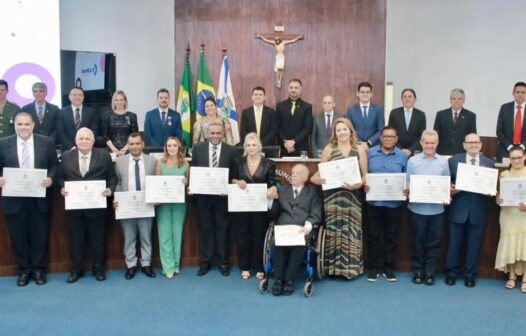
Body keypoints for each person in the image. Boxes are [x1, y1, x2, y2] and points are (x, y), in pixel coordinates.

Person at [0, 112, 58, 286]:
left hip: (39, 198)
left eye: (27, 124)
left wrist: (51, 179)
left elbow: (54, 165)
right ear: (15, 125)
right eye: (20, 124)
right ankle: (24, 271)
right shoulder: (3, 143)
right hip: (14, 199)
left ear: (33, 125)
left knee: (40, 236)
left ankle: (39, 270)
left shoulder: (46, 142)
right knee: (18, 237)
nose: (23, 128)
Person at [310, 118, 368, 279]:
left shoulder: (360, 149)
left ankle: (351, 269)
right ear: (334, 133)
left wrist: (358, 185)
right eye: (338, 130)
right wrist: (317, 180)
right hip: (333, 199)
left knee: (352, 231)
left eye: (345, 129)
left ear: (351, 130)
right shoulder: (329, 149)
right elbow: (316, 176)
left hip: (353, 197)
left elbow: (365, 175)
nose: (342, 133)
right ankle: (333, 269)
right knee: (334, 230)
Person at [59, 128, 117, 283]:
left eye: (87, 139)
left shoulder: (104, 156)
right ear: (75, 140)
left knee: (98, 241)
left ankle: (98, 269)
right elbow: (60, 178)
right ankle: (76, 270)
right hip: (74, 209)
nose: (84, 141)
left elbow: (112, 177)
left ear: (93, 141)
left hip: (97, 208)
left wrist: (110, 190)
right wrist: (62, 187)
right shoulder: (65, 156)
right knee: (76, 241)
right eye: (81, 138)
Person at [446, 133, 495, 288]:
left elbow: (492, 186)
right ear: (464, 145)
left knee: (474, 246)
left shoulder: (488, 163)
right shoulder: (454, 161)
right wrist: (451, 189)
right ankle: (451, 274)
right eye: (470, 142)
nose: (473, 145)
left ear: (481, 144)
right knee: (454, 245)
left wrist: (490, 191)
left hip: (478, 210)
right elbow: (447, 183)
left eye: (476, 142)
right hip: (458, 209)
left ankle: (470, 275)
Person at [190, 120, 237, 276]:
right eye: (212, 133)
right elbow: (195, 171)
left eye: (218, 133)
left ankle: (223, 263)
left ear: (223, 134)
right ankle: (206, 263)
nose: (215, 136)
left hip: (223, 198)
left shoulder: (231, 150)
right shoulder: (197, 149)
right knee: (205, 230)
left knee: (223, 231)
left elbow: (234, 175)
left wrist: (228, 187)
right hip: (203, 198)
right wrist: (193, 187)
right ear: (206, 134)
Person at [363, 126, 408, 282]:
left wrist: (406, 188)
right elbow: (364, 174)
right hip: (374, 202)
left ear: (396, 139)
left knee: (391, 237)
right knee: (374, 236)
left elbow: (406, 179)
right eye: (386, 136)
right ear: (380, 137)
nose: (388, 139)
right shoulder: (369, 153)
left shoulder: (403, 156)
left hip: (394, 204)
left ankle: (388, 268)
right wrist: (364, 184)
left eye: (392, 136)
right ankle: (375, 268)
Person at [406, 130, 450, 285]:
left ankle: (430, 272)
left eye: (433, 142)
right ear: (422, 143)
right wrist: (409, 191)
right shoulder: (412, 161)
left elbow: (446, 184)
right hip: (417, 210)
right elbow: (407, 184)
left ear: (437, 144)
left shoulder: (443, 162)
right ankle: (418, 271)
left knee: (434, 242)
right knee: (418, 242)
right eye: (427, 142)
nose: (430, 145)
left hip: (437, 210)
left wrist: (446, 195)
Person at [231, 133, 278, 280]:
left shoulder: (269, 163)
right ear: (244, 147)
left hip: (260, 207)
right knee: (242, 236)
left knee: (259, 236)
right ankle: (244, 267)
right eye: (248, 145)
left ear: (259, 146)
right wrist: (237, 182)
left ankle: (259, 267)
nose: (251, 148)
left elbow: (273, 184)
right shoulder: (238, 161)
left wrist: (273, 191)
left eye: (254, 145)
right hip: (242, 207)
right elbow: (231, 179)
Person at [270, 164, 321, 295]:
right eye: (293, 173)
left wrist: (307, 228)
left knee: (300, 243)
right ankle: (279, 279)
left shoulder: (313, 192)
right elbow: (273, 213)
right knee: (275, 242)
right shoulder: (282, 191)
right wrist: (270, 200)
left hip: (301, 230)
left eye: (298, 173)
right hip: (283, 229)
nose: (293, 175)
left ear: (305, 177)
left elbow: (316, 214)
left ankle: (289, 280)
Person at [114, 133, 157, 280]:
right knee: (129, 237)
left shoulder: (152, 161)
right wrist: (116, 198)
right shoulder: (120, 161)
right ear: (128, 145)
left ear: (143, 144)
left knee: (146, 237)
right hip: (127, 206)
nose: (135, 146)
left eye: (138, 143)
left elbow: (156, 182)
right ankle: (131, 265)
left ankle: (146, 264)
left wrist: (156, 197)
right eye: (131, 144)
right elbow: (118, 182)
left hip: (146, 205)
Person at [155, 136, 188, 279]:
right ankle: (167, 266)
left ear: (179, 147)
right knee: (165, 235)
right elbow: (155, 184)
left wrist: (186, 182)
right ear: (165, 148)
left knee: (177, 233)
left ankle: (175, 264)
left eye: (175, 145)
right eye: (169, 145)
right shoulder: (159, 163)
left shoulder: (186, 164)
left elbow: (188, 186)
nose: (172, 148)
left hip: (180, 203)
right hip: (163, 203)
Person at [495, 146, 526, 293]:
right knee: (512, 244)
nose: (516, 160)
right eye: (513, 158)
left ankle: (525, 278)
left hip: (524, 214)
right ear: (510, 160)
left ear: (524, 157)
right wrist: (498, 200)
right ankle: (512, 276)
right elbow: (499, 196)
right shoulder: (505, 174)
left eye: (519, 157)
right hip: (508, 215)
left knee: (524, 246)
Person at [275, 79, 313, 156]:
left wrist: (293, 141)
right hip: (284, 147)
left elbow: (307, 128)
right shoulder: (280, 106)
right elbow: (277, 127)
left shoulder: (307, 107)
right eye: (291, 87)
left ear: (300, 89)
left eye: (296, 88)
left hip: (300, 148)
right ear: (288, 89)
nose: (293, 90)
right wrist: (285, 142)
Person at [433, 88, 477, 155]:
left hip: (462, 153)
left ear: (463, 101)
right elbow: (435, 135)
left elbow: (472, 136)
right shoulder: (440, 115)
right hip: (442, 152)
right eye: (454, 99)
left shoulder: (470, 116)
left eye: (459, 99)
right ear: (450, 100)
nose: (456, 101)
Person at [388, 88, 426, 157]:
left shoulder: (421, 115)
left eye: (410, 97)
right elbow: (390, 133)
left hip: (415, 152)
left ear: (415, 99)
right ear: (401, 99)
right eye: (404, 97)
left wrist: (410, 150)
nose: (407, 99)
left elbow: (421, 136)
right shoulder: (394, 113)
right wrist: (401, 149)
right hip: (397, 151)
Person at [100, 90, 139, 156]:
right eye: (117, 100)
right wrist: (114, 149)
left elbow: (134, 135)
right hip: (111, 150)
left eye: (121, 100)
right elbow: (105, 135)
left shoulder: (132, 116)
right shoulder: (107, 115)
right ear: (113, 101)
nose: (119, 102)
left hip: (128, 150)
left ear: (125, 101)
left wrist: (124, 150)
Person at [346, 82, 385, 147]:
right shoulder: (351, 110)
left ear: (371, 94)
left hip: (374, 146)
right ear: (358, 94)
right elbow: (350, 129)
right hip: (356, 145)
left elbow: (381, 129)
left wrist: (369, 142)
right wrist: (359, 142)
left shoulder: (379, 109)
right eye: (362, 92)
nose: (365, 94)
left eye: (367, 92)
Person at [496, 82, 526, 162]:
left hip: (524, 149)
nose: (520, 94)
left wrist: (522, 147)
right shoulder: (504, 108)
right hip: (506, 149)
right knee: (504, 173)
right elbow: (499, 131)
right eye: (517, 92)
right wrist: (510, 147)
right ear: (513, 93)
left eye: (523, 92)